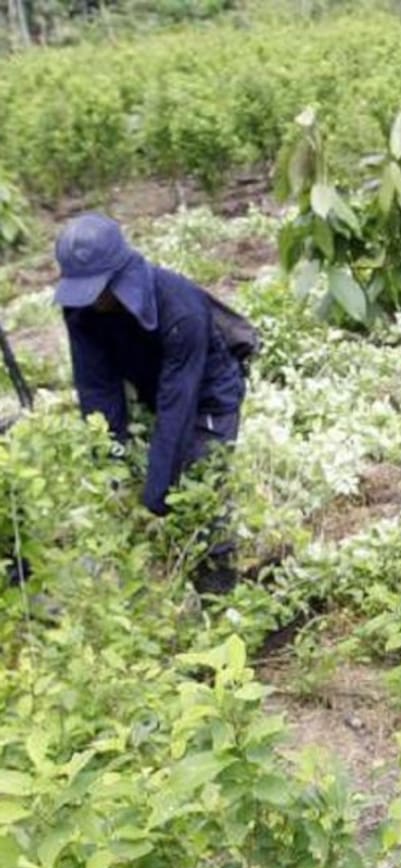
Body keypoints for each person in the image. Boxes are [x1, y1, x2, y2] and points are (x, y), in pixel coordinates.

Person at [54, 212, 246, 592]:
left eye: (97, 288)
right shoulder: (81, 309)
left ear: (119, 276)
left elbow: (179, 406)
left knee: (199, 486)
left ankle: (220, 593)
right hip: (148, 386)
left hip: (205, 394)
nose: (92, 299)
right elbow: (96, 390)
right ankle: (157, 581)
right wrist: (111, 470)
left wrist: (155, 495)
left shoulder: (181, 308)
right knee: (130, 480)